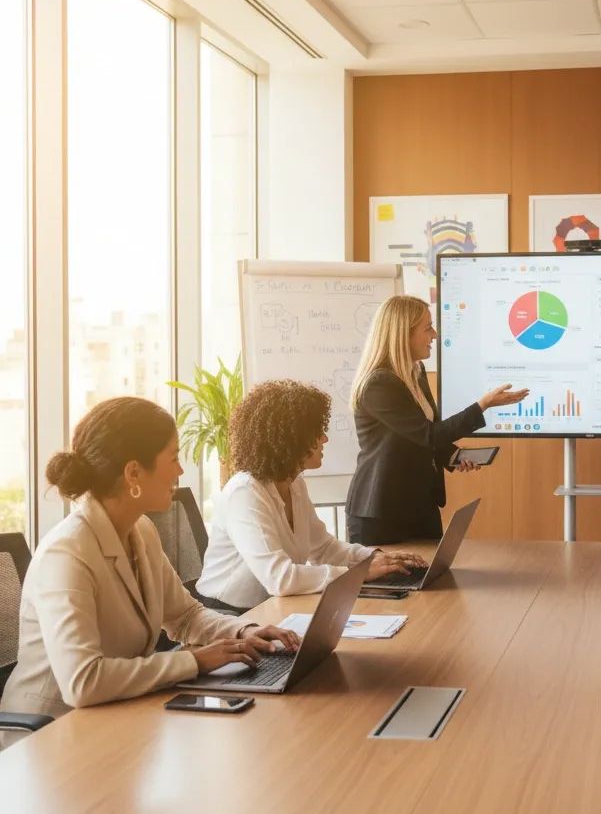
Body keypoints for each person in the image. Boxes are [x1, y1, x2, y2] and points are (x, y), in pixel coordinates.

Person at [0, 398, 298, 736]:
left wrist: (242, 631)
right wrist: (196, 661)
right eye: (173, 458)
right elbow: (83, 681)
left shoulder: (140, 530)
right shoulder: (67, 553)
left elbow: (185, 616)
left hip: (117, 714)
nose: (180, 471)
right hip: (50, 735)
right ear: (133, 473)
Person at [197, 380, 425, 612]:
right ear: (289, 437)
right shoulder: (245, 493)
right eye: (317, 432)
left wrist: (375, 558)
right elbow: (279, 578)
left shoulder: (294, 483)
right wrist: (359, 573)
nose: (324, 439)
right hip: (228, 614)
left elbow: (324, 549)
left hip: (271, 606)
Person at [346, 295, 528, 546]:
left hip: (419, 504)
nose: (435, 334)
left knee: (431, 580)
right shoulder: (380, 383)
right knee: (398, 584)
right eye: (427, 327)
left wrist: (454, 457)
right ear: (403, 334)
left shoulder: (415, 372)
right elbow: (428, 434)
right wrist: (483, 405)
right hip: (381, 511)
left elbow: (421, 437)